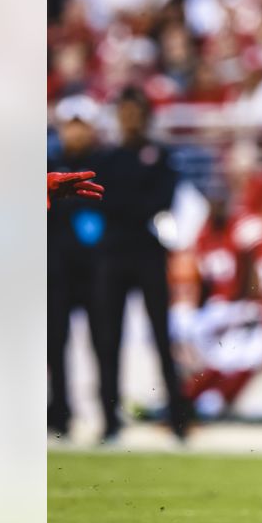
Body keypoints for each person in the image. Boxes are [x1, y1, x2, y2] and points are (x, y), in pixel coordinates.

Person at [92, 86, 189, 441]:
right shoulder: (106, 158)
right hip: (114, 254)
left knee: (162, 336)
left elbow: (161, 200)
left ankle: (178, 419)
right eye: (125, 112)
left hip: (146, 252)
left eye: (136, 112)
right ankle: (108, 418)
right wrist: (133, 204)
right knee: (107, 338)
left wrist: (125, 205)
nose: (130, 119)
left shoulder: (159, 154)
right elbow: (104, 201)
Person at [48, 95, 106, 438]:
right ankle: (60, 412)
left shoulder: (106, 163)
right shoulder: (48, 166)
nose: (76, 133)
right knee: (55, 343)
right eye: (71, 125)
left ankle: (107, 414)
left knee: (104, 343)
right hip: (57, 270)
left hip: (98, 270)